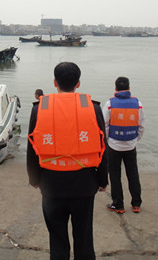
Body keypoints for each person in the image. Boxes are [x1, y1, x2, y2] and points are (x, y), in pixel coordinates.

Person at [27, 62, 108, 260]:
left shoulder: (39, 109)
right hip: (84, 184)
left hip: (51, 185)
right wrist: (102, 180)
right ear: (78, 83)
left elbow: (32, 148)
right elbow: (103, 147)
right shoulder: (93, 108)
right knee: (84, 238)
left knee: (57, 240)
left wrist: (34, 179)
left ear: (55, 82)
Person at [102, 76, 145, 214]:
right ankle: (136, 204)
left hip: (114, 146)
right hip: (131, 146)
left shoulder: (109, 104)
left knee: (115, 175)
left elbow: (105, 126)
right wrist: (134, 139)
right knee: (133, 174)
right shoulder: (138, 104)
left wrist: (108, 141)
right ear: (129, 88)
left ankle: (118, 204)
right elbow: (141, 126)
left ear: (115, 88)